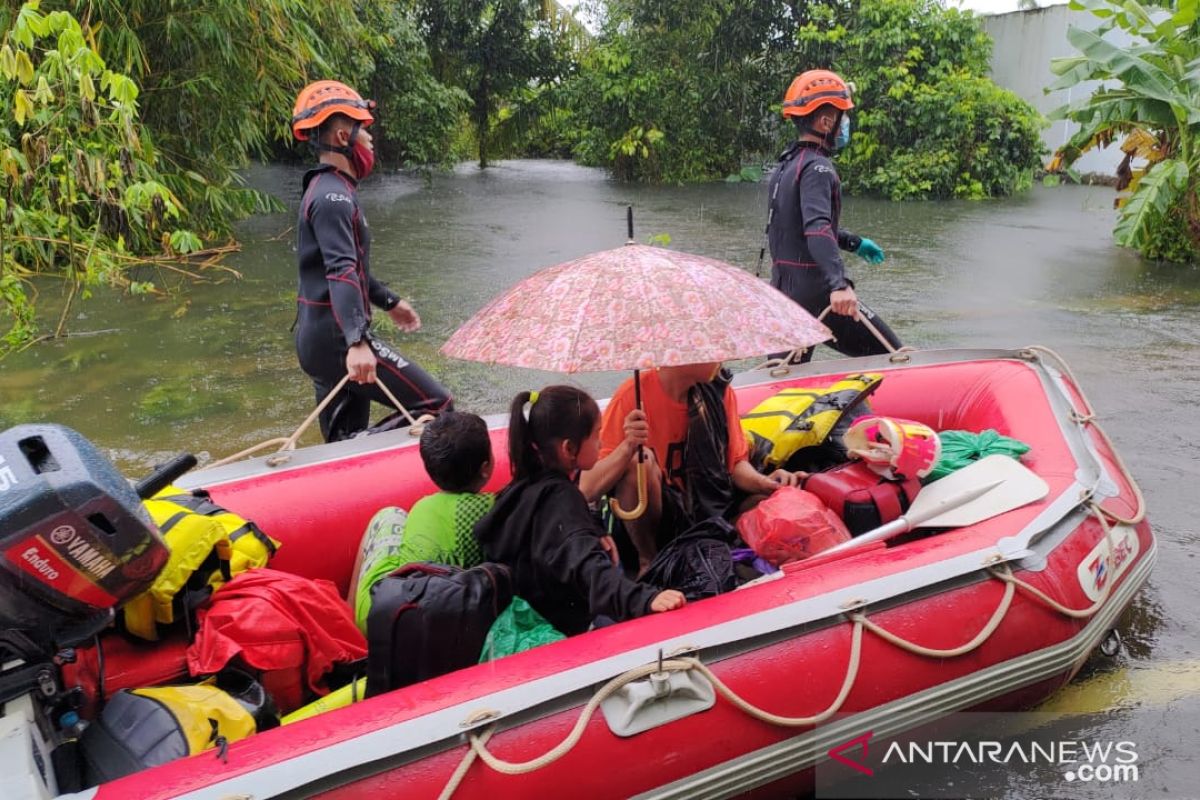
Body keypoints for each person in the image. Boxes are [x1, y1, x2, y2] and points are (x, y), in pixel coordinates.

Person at [290, 80, 452, 441]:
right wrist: (356, 341)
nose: (370, 141)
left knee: (343, 438)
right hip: (335, 338)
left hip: (320, 335)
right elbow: (341, 271)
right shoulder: (333, 197)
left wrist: (389, 301)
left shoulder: (328, 189)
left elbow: (352, 269)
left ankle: (351, 455)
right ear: (345, 134)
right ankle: (363, 447)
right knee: (437, 405)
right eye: (365, 132)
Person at [473, 386, 686, 636]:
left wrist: (593, 528)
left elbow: (564, 533)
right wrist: (645, 598)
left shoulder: (523, 486)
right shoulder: (562, 501)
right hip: (562, 629)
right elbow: (592, 572)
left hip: (530, 614)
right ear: (569, 449)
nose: (602, 442)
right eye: (596, 435)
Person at [579, 363, 799, 574]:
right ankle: (649, 562)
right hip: (657, 518)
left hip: (708, 507)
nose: (721, 358)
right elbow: (586, 489)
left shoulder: (719, 391)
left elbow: (735, 464)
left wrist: (767, 483)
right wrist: (628, 446)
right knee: (640, 461)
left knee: (771, 496)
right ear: (683, 358)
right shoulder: (632, 396)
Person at [767, 69, 902, 363]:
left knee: (778, 377)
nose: (845, 125)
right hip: (818, 295)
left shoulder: (785, 166)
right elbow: (816, 228)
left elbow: (799, 228)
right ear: (826, 121)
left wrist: (853, 242)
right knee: (895, 357)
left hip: (784, 293)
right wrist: (839, 285)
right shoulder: (818, 168)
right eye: (843, 117)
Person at [348, 411, 494, 630]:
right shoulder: (490, 508)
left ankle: (349, 616)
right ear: (485, 468)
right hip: (431, 622)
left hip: (378, 614)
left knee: (389, 514)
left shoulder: (422, 507)